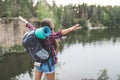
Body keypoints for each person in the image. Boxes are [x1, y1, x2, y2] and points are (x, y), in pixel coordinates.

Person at [19, 16, 81, 80]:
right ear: (49, 27)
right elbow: (60, 33)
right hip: (48, 62)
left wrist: (23, 20)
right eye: (52, 24)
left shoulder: (36, 32)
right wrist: (70, 29)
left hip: (38, 61)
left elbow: (29, 26)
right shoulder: (49, 35)